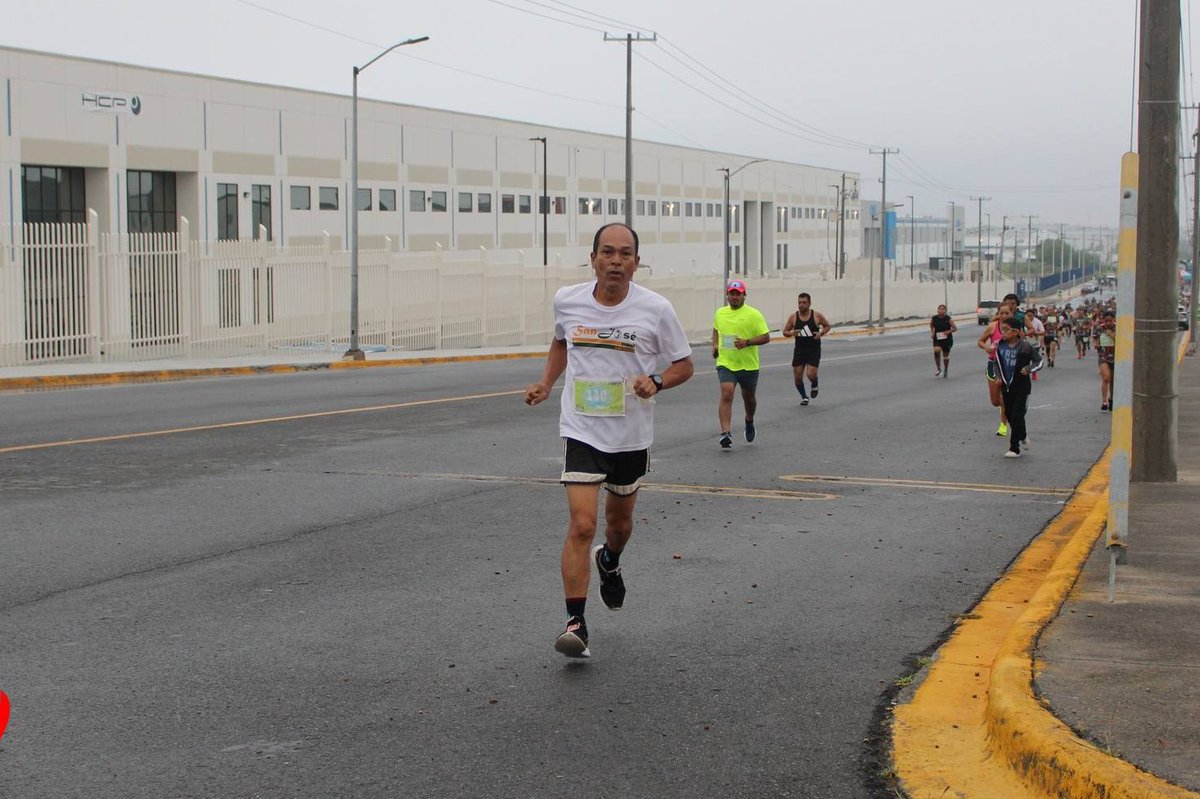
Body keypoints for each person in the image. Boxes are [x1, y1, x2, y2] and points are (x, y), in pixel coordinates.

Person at [524, 223, 694, 659]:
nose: (615, 261)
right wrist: (546, 383)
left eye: (624, 254)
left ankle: (610, 561)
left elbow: (684, 365)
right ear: (593, 258)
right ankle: (575, 623)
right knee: (582, 524)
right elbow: (561, 341)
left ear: (636, 262)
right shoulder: (568, 299)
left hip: (630, 435)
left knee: (617, 527)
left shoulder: (656, 310)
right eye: (607, 253)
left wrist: (655, 381)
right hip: (581, 429)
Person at [712, 279, 771, 448]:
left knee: (749, 399)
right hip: (726, 362)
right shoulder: (720, 313)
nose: (735, 297)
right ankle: (725, 433)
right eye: (732, 293)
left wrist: (747, 342)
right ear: (727, 295)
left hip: (748, 365)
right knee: (727, 393)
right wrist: (715, 345)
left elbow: (766, 337)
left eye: (738, 294)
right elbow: (716, 329)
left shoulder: (754, 314)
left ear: (744, 295)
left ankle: (749, 420)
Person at [995, 316, 1043, 458]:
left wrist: (1029, 369)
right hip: (1006, 387)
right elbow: (995, 363)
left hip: (1022, 387)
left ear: (1015, 332)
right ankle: (1022, 434)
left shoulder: (1025, 346)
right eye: (1002, 330)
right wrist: (998, 376)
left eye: (1006, 330)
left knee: (1017, 415)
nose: (1003, 333)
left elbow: (1039, 362)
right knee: (1010, 415)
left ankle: (1014, 447)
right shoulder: (1000, 346)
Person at [782, 292, 831, 405]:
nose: (801, 305)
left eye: (804, 303)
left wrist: (821, 333)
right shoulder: (793, 317)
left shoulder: (816, 315)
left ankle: (815, 382)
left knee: (810, 374)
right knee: (798, 377)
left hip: (813, 349)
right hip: (799, 349)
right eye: (799, 302)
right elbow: (785, 332)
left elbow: (827, 326)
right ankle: (804, 397)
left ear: (809, 303)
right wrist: (792, 333)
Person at [978, 304, 1014, 437]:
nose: (1004, 316)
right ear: (998, 314)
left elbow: (1022, 342)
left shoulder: (1015, 327)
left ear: (1011, 313)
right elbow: (980, 341)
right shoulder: (993, 326)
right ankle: (1005, 407)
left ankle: (1003, 425)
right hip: (993, 363)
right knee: (995, 401)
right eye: (1001, 313)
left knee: (1005, 397)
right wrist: (987, 347)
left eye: (1007, 313)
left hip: (1009, 365)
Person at [1093, 310, 1116, 411]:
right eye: (1106, 321)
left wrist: (1112, 335)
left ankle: (1112, 399)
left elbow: (1123, 341)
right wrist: (1096, 343)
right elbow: (1094, 338)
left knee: (1113, 381)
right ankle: (1104, 401)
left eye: (1110, 321)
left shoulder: (1118, 328)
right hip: (1103, 356)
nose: (1108, 323)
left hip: (1116, 357)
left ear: (1113, 320)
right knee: (1106, 378)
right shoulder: (1099, 328)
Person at [929, 304, 958, 378]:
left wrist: (949, 331)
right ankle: (938, 368)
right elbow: (931, 324)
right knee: (936, 351)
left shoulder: (948, 318)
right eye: (940, 309)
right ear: (937, 310)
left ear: (945, 311)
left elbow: (955, 328)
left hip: (947, 339)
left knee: (945, 356)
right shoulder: (934, 318)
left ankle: (946, 369)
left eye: (943, 309)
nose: (941, 310)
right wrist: (932, 332)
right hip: (937, 338)